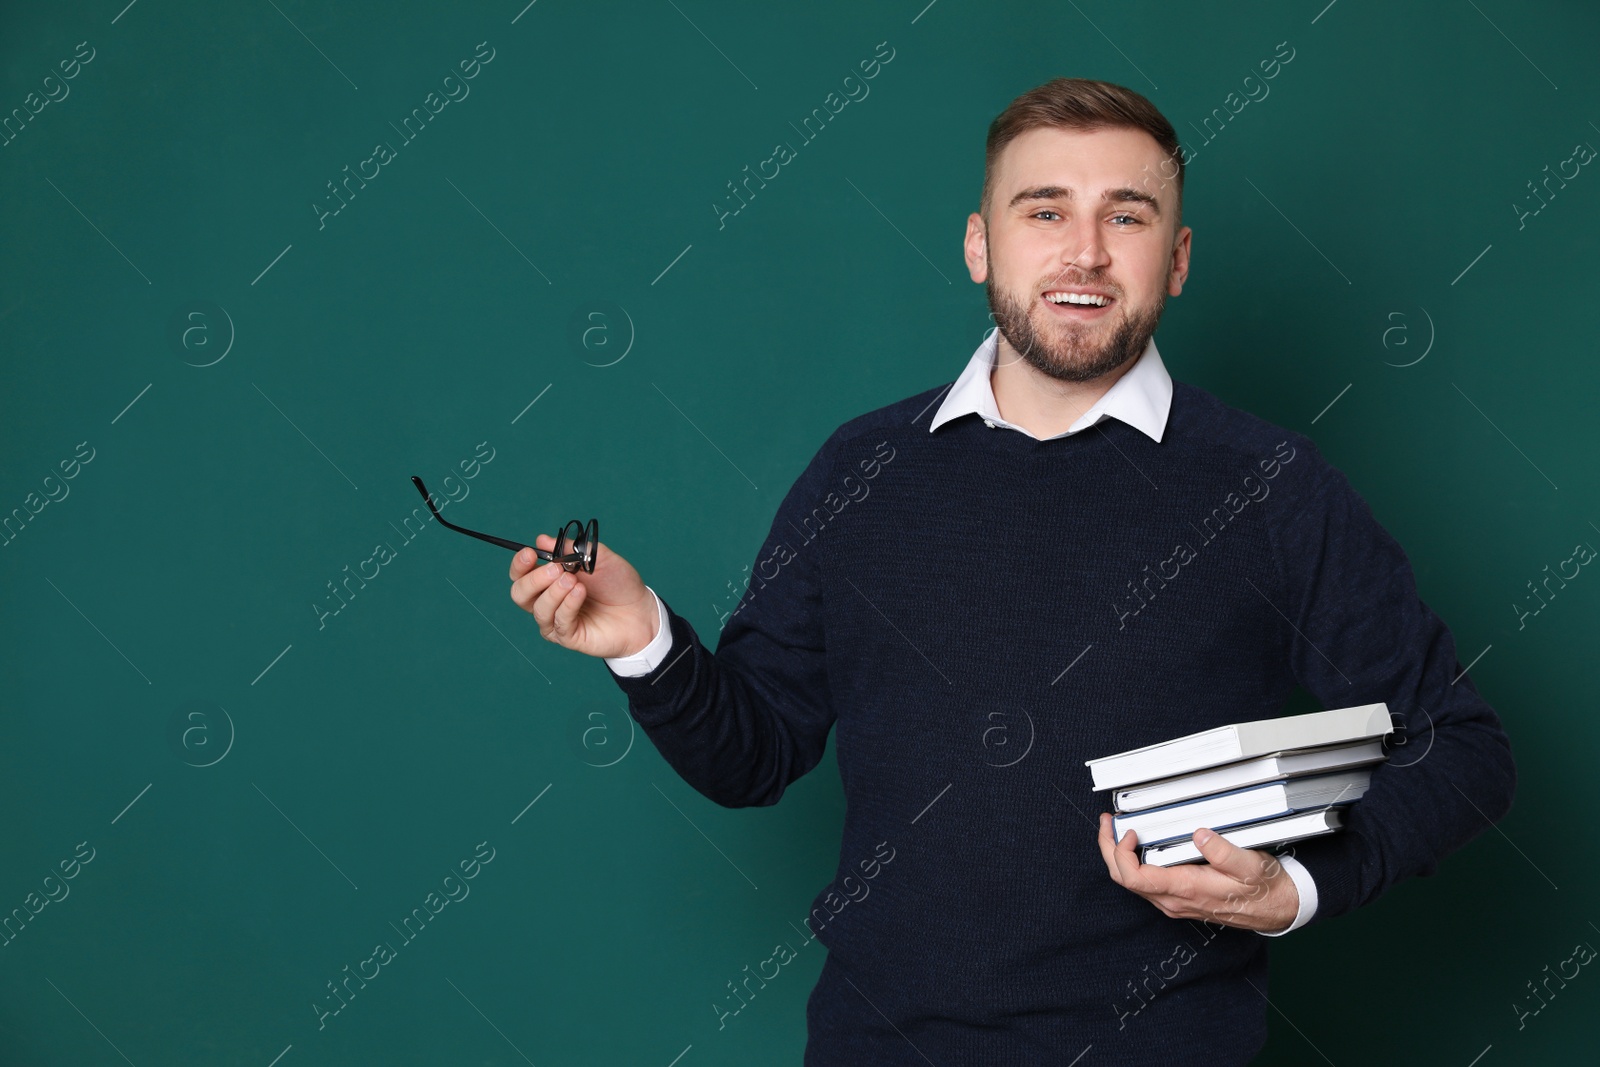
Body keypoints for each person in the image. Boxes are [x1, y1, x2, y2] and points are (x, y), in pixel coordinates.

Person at [507, 77, 1515, 1065]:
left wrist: (1292, 889)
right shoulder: (862, 472)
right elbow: (752, 753)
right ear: (979, 245)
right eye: (1045, 211)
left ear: (1177, 258)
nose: (1083, 252)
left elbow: (1459, 747)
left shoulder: (1270, 487)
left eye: (1127, 216)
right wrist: (642, 637)